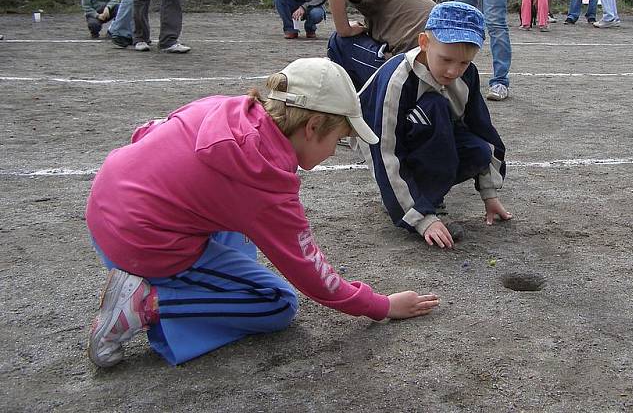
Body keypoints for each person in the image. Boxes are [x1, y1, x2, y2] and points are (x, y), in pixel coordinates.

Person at [85, 57, 440, 368]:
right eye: (340, 138)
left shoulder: (230, 106)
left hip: (108, 201)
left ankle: (151, 273)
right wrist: (380, 305)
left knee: (240, 242)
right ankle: (143, 303)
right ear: (313, 126)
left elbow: (147, 132)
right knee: (275, 303)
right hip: (138, 240)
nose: (336, 151)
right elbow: (313, 274)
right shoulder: (264, 180)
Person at [358, 1, 511, 250]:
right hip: (380, 139)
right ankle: (423, 201)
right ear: (424, 43)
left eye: (463, 63)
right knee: (435, 107)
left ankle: (428, 193)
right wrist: (422, 218)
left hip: (429, 132)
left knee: (479, 149)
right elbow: (385, 151)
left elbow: (481, 129)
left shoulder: (467, 75)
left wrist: (489, 193)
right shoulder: (398, 79)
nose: (453, 71)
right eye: (446, 59)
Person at [326, 0, 434, 89]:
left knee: (339, 40)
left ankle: (351, 99)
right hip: (433, 74)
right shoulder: (411, 2)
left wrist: (345, 29)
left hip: (406, 75)